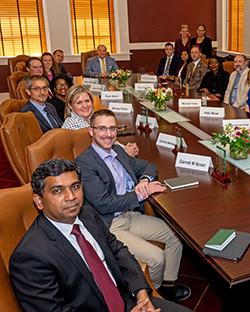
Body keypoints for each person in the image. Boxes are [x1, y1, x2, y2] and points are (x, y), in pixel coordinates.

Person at [9, 159, 191, 312]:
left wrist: (141, 293)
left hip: (129, 301)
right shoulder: (30, 257)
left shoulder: (87, 214)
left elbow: (119, 251)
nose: (71, 197)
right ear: (39, 201)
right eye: (57, 190)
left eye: (75, 186)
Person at [75, 109, 190, 302]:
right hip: (110, 224)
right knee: (156, 257)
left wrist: (144, 180)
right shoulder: (84, 163)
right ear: (91, 131)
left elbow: (148, 166)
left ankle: (168, 286)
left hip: (130, 214)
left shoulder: (118, 151)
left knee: (176, 236)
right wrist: (139, 193)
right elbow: (104, 204)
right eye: (102, 128)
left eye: (112, 129)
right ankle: (154, 297)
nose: (108, 134)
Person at [62, 86, 139, 157]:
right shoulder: (75, 127)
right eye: (79, 102)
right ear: (70, 106)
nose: (85, 105)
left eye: (87, 101)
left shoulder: (87, 119)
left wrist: (125, 148)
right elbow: (101, 152)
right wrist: (126, 153)